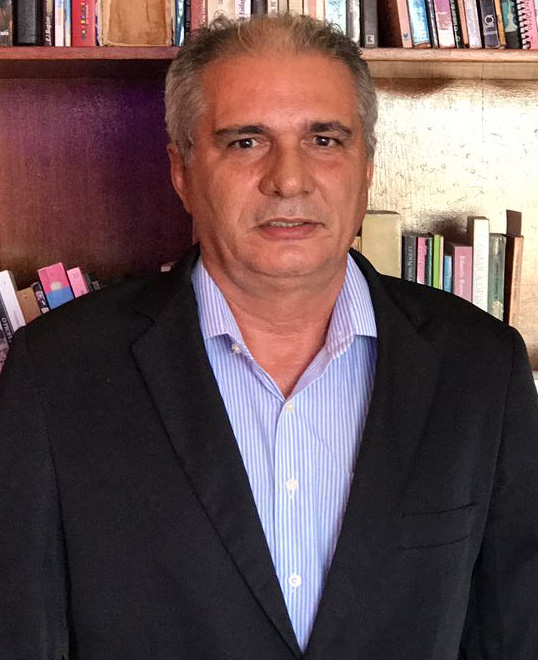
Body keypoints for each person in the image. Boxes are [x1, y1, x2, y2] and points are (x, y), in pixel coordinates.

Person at [1, 13, 537, 660]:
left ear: (367, 166)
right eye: (246, 142)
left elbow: (514, 631)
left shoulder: (482, 368)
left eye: (325, 140)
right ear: (181, 172)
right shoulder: (58, 372)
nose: (289, 179)